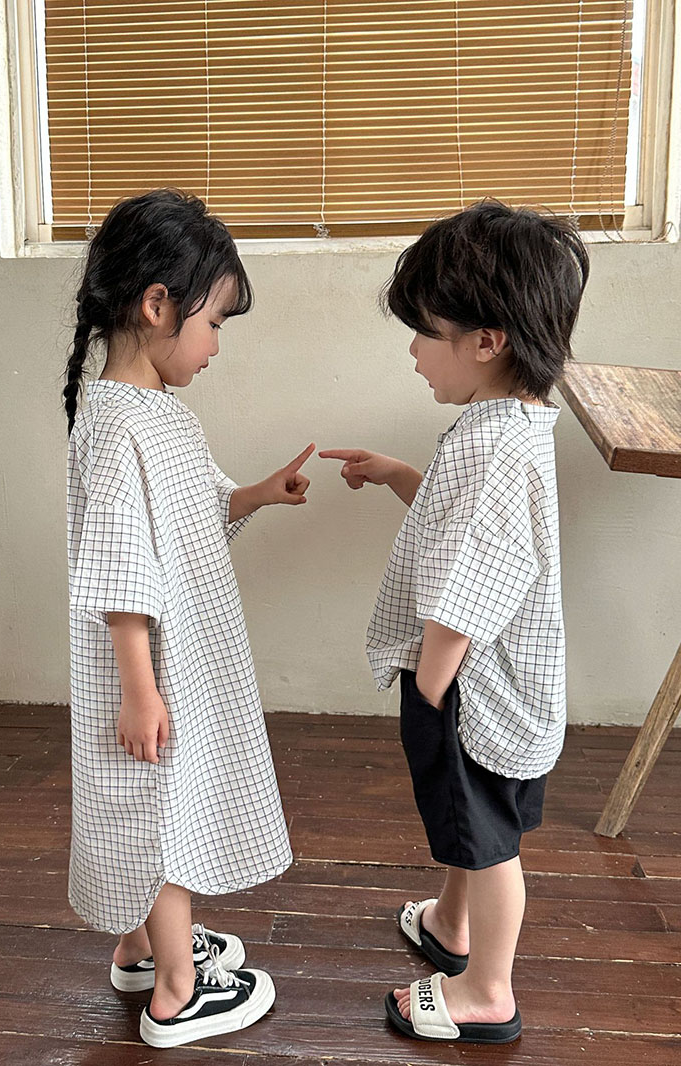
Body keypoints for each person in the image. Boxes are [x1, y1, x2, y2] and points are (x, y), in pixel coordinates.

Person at [321, 200, 588, 1045]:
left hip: (472, 690)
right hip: (498, 678)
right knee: (473, 826)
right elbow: (466, 526)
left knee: (490, 841)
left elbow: (474, 574)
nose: (412, 350)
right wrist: (401, 473)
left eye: (425, 332)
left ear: (488, 341)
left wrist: (434, 680)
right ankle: (450, 923)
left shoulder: (492, 446)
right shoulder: (511, 425)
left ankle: (486, 993)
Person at [63, 189, 312, 1048]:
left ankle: (141, 949)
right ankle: (177, 991)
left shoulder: (156, 413)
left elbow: (192, 513)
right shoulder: (116, 427)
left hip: (176, 660)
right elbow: (121, 571)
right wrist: (140, 691)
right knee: (163, 811)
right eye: (213, 324)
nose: (215, 346)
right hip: (149, 669)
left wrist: (258, 494)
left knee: (152, 802)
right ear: (157, 305)